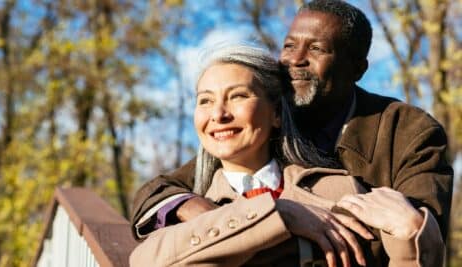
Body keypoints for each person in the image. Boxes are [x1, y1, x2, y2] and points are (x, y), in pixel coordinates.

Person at [131, 0, 453, 266]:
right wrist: (234, 216)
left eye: (316, 49)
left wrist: (409, 228)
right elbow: (164, 190)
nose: (295, 60)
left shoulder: (407, 130)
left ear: (357, 69)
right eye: (289, 46)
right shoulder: (259, 127)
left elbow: (416, 232)